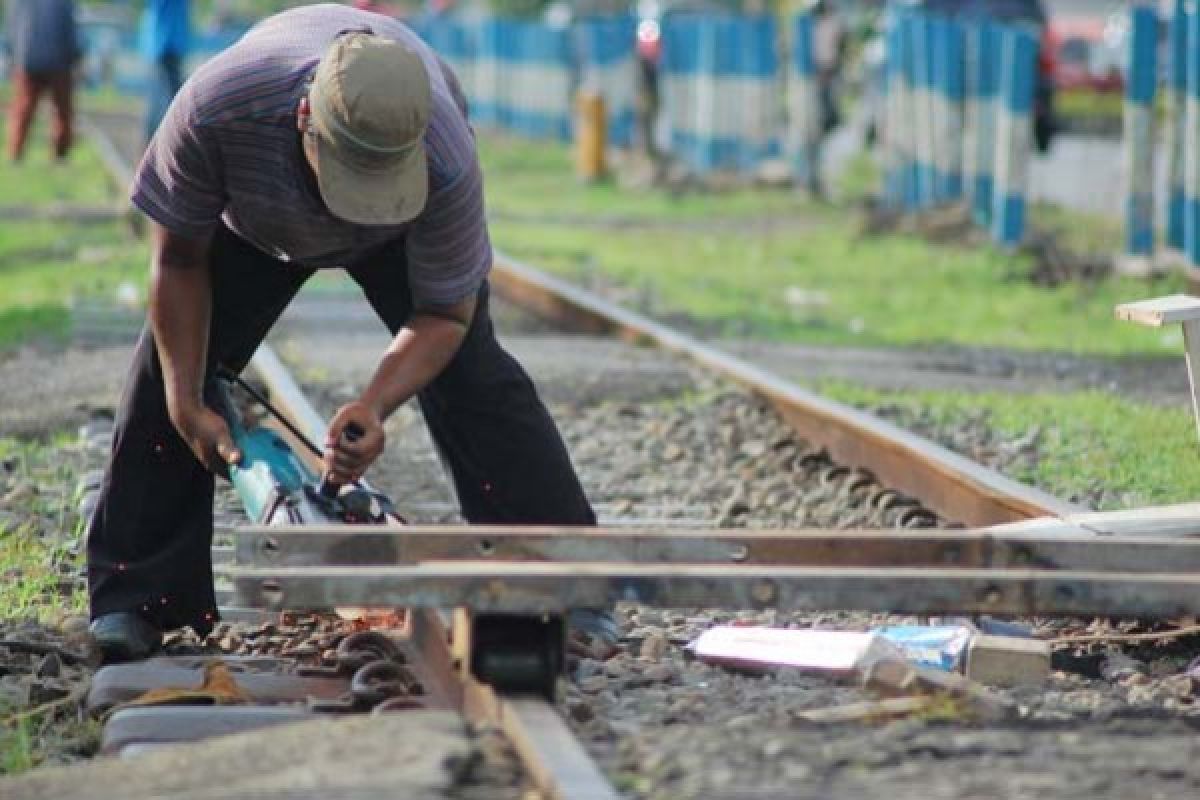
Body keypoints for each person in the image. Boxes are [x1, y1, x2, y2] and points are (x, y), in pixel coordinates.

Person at [86, 5, 605, 660]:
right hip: (254, 226)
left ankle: (566, 582)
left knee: (477, 380)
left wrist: (374, 403)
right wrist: (189, 400)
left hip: (401, 233)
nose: (349, 207)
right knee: (166, 372)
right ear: (305, 119)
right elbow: (179, 261)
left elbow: (446, 315)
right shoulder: (219, 106)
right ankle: (139, 596)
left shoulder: (445, 157)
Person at [3, 0, 80, 162]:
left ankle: (17, 153)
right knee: (58, 110)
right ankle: (59, 155)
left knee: (25, 109)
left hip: (31, 58)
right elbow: (70, 27)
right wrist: (74, 55)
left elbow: (12, 25)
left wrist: (14, 54)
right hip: (54, 61)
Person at [139, 0, 191, 144]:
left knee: (161, 100)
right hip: (166, 44)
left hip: (165, 44)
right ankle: (160, 145)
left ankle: (154, 145)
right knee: (168, 102)